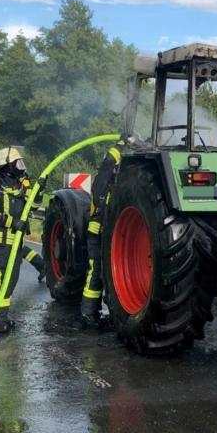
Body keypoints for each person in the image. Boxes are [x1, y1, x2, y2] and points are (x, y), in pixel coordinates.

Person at [0, 146, 46, 333]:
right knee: (2, 280)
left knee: (11, 281)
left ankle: (0, 317)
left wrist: (39, 190)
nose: (21, 166)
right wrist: (12, 222)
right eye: (18, 162)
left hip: (16, 243)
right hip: (2, 242)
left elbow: (32, 206)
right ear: (7, 166)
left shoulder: (18, 186)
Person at [80, 140, 124, 327]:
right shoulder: (102, 182)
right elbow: (107, 165)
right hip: (96, 234)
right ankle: (88, 313)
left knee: (105, 273)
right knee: (95, 271)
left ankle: (97, 312)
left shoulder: (115, 184)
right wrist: (119, 147)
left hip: (105, 236)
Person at [0, 175, 45, 287]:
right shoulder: (2, 181)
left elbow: (31, 203)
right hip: (7, 225)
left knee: (11, 250)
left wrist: (40, 190)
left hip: (13, 225)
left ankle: (41, 265)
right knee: (8, 250)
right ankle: (41, 266)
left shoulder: (22, 181)